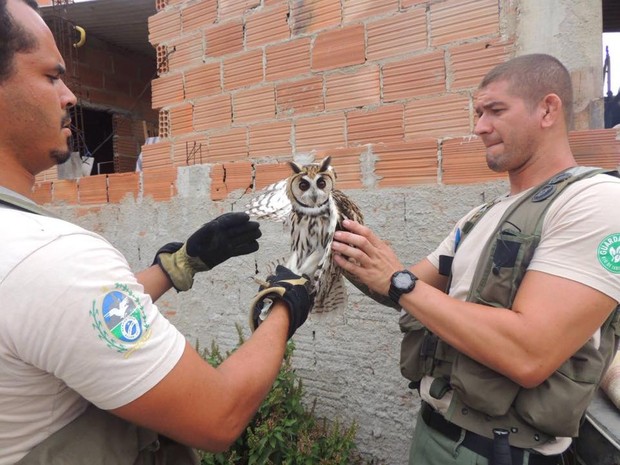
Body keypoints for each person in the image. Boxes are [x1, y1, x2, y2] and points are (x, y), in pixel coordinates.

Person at [0, 0, 313, 463]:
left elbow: (57, 317)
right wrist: (283, 305)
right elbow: (218, 415)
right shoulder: (49, 257)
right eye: (50, 76)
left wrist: (178, 265)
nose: (69, 97)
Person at [333, 53, 620, 465]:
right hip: (433, 431)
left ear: (548, 109)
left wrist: (398, 281)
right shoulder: (479, 216)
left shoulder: (597, 203)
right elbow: (400, 286)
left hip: (502, 450)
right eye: (477, 112)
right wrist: (340, 242)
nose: (479, 126)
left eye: (495, 110)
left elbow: (529, 354)